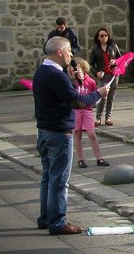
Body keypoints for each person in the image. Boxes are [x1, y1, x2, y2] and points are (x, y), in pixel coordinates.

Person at [33, 36, 108, 234]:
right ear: (59, 52)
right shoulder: (56, 75)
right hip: (58, 133)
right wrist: (99, 93)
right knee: (59, 179)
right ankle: (57, 222)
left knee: (48, 177)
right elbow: (76, 101)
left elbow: (65, 95)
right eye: (68, 51)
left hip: (44, 131)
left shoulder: (42, 71)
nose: (71, 56)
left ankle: (46, 218)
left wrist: (74, 79)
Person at [71, 58, 108, 169]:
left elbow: (95, 97)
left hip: (87, 111)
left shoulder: (90, 81)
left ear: (83, 69)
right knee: (77, 135)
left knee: (92, 134)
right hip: (76, 111)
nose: (77, 72)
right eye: (74, 70)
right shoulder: (72, 82)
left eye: (79, 69)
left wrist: (102, 95)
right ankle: (81, 159)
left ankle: (99, 158)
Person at [89, 26, 122, 126]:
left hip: (113, 75)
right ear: (98, 37)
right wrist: (96, 73)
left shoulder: (113, 46)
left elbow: (120, 59)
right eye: (101, 36)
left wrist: (115, 61)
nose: (103, 37)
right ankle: (98, 118)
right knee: (102, 97)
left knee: (111, 97)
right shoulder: (95, 49)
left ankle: (108, 118)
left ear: (108, 36)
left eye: (105, 35)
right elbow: (90, 64)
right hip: (102, 76)